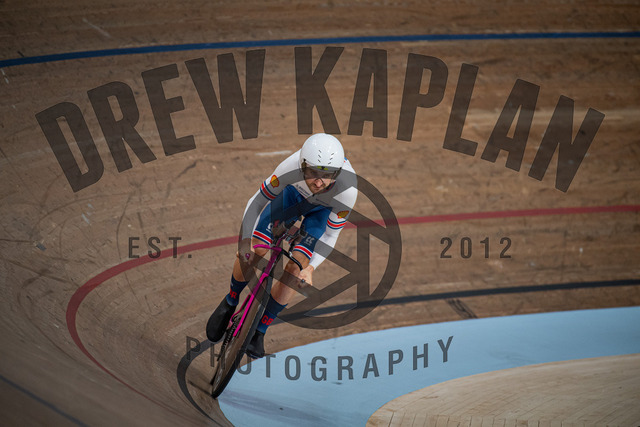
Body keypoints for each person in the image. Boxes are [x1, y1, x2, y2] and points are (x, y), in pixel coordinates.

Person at [206, 133, 358, 358]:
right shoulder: (290, 167)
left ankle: (260, 330)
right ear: (302, 165)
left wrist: (310, 268)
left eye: (327, 176)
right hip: (291, 197)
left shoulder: (347, 190)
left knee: (296, 271)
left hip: (320, 212)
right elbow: (257, 201)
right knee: (256, 250)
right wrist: (246, 240)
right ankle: (230, 300)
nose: (319, 182)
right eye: (313, 174)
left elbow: (330, 234)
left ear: (337, 173)